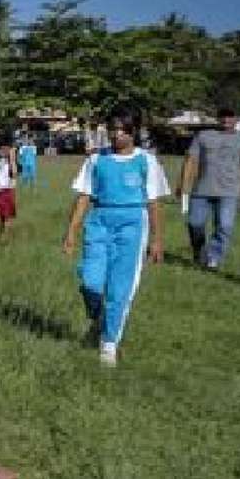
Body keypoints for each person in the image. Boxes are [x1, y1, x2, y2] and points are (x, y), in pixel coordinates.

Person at [63, 106, 169, 367]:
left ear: (134, 132)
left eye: (122, 130)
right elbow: (84, 196)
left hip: (132, 224)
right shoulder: (96, 160)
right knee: (90, 281)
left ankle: (108, 343)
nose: (116, 135)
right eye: (112, 129)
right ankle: (99, 319)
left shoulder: (147, 161)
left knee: (120, 288)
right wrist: (71, 232)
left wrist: (156, 239)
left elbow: (154, 203)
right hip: (99, 221)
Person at [177, 107, 240, 271]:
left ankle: (214, 258)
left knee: (225, 226)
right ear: (217, 117)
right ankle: (199, 251)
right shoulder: (203, 136)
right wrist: (183, 185)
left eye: (230, 116)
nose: (226, 119)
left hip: (229, 191)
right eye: (223, 116)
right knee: (194, 223)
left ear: (237, 118)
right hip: (201, 190)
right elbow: (190, 160)